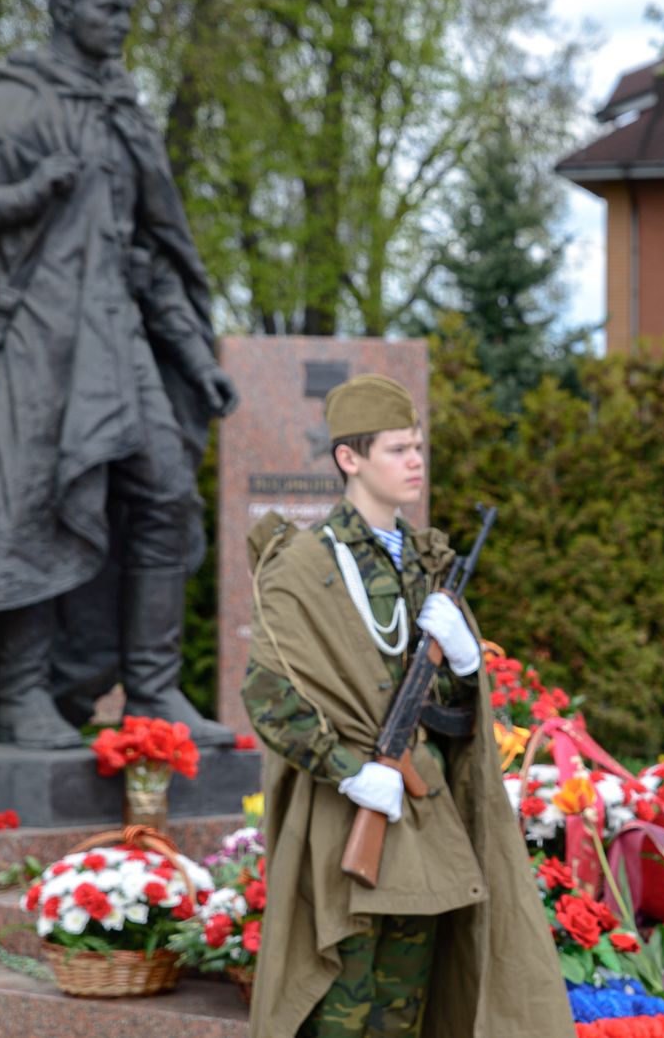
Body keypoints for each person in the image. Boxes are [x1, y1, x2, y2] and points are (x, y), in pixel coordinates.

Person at [0, 0, 239, 748]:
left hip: (119, 341)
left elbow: (149, 251)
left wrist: (192, 354)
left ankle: (152, 694)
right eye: (105, 7)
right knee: (35, 514)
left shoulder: (123, 111)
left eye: (125, 7)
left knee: (165, 495)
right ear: (62, 10)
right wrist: (23, 193)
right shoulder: (19, 100)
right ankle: (19, 698)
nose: (120, 22)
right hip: (38, 346)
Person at [242, 373, 571, 1038]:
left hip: (424, 820)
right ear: (349, 459)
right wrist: (347, 769)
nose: (416, 461)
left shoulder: (424, 562)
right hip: (348, 813)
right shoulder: (305, 564)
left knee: (405, 1010)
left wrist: (467, 661)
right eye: (397, 449)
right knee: (341, 1004)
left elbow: (449, 708)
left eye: (418, 446)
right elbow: (269, 693)